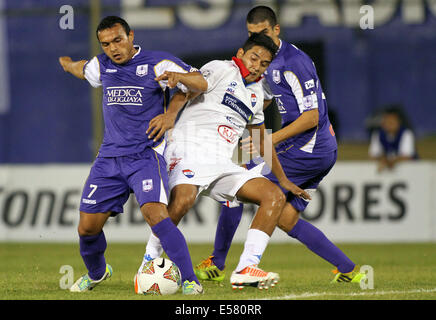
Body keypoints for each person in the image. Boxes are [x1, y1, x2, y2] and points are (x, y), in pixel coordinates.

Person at [190, 6, 365, 284]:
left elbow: (311, 116)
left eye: (262, 33)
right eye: (251, 35)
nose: (258, 41)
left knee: (237, 186)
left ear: (276, 30)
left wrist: (269, 139)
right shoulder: (265, 62)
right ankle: (350, 271)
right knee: (285, 218)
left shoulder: (294, 62)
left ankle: (220, 264)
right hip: (317, 148)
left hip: (309, 147)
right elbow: (264, 99)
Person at [139, 33, 312, 290]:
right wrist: (169, 117)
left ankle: (245, 267)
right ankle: (149, 262)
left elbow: (260, 139)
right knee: (184, 200)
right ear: (241, 53)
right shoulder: (221, 68)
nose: (257, 66)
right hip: (189, 148)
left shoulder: (256, 94)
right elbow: (186, 90)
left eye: (264, 63)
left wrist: (284, 180)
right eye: (254, 58)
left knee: (273, 196)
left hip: (222, 162)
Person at [58, 16, 205, 295]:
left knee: (156, 215)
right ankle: (98, 273)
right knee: (87, 229)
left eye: (118, 40)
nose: (113, 48)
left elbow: (199, 84)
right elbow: (82, 68)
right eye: (105, 44)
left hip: (145, 155)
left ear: (130, 36)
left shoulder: (157, 63)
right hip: (109, 159)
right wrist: (66, 64)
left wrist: (171, 110)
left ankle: (189, 280)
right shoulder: (102, 66)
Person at [369, 106, 418, 172]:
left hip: (412, 170)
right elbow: (373, 155)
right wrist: (383, 160)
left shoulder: (406, 133)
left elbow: (407, 156)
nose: (389, 124)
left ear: (398, 122)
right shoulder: (378, 134)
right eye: (387, 121)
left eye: (392, 121)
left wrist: (388, 162)